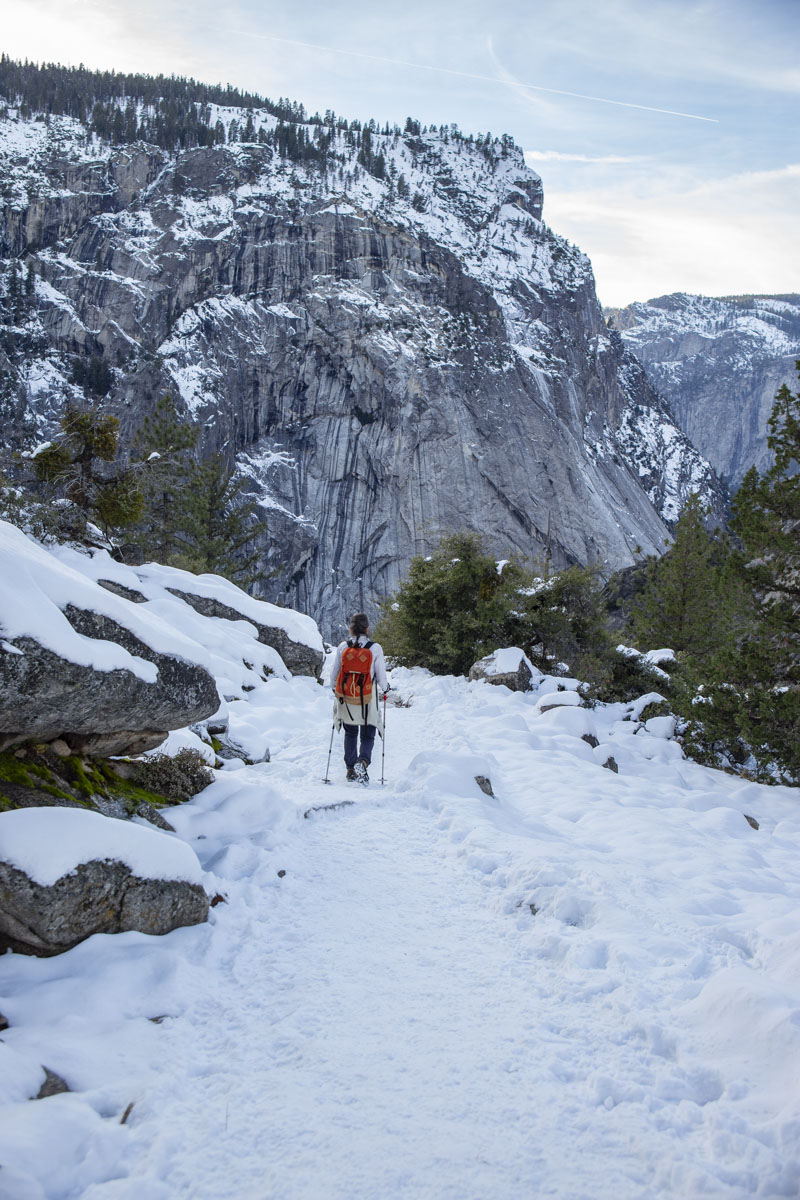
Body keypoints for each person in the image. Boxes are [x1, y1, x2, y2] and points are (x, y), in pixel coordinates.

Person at [330, 612, 389, 782]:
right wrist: (385, 688)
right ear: (367, 629)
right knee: (368, 733)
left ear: (351, 629)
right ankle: (362, 762)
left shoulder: (343, 647)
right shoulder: (375, 648)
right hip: (367, 697)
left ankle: (350, 769)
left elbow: (334, 673)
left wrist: (335, 689)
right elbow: (381, 677)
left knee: (350, 733)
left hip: (347, 697)